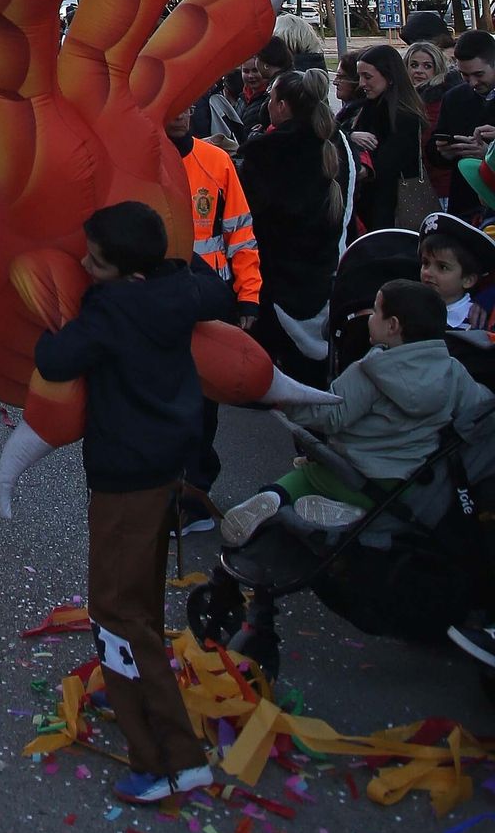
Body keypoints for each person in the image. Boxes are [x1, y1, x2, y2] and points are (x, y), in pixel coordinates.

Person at [32, 200, 233, 804]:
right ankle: (147, 717)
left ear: (125, 271)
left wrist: (55, 314)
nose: (85, 268)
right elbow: (217, 291)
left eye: (95, 263)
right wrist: (174, 267)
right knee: (139, 605)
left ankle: (169, 758)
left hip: (123, 481)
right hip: (166, 472)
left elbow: (54, 358)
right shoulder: (179, 292)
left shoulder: (111, 310)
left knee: (117, 616)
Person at [219, 278, 492, 541]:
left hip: (356, 474)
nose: (370, 317)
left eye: (376, 311)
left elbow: (331, 414)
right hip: (410, 484)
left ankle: (275, 496)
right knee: (356, 487)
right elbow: (480, 408)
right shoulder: (454, 372)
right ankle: (353, 513)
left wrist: (286, 402)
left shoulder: (371, 371)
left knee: (308, 475)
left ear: (392, 326)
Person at [163, 108, 261, 528]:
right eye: (173, 106)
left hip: (208, 306)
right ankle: (165, 491)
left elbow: (241, 234)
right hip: (159, 305)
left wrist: (248, 297)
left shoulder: (216, 162)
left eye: (188, 105)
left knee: (203, 406)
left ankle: (196, 495)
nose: (181, 113)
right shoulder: (137, 160)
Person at [237, 69, 353, 388]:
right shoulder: (340, 143)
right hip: (329, 271)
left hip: (277, 280)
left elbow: (250, 218)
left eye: (272, 99)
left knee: (282, 375)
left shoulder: (266, 153)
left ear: (282, 106)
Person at [352, 44, 428, 229]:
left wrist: (362, 169)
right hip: (370, 205)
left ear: (389, 76)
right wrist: (351, 135)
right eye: (359, 76)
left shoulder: (404, 116)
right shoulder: (367, 106)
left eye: (367, 77)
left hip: (392, 208)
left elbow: (388, 164)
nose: (361, 83)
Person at [432, 31, 495, 219]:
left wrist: (489, 154)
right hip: (464, 204)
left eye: (478, 74)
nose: (472, 82)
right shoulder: (454, 97)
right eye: (464, 75)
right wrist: (443, 152)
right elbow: (436, 147)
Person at [417, 208, 495, 334]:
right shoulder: (411, 311)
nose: (427, 272)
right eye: (425, 263)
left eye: (442, 267)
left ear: (468, 280)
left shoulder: (478, 321)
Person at [405, 39, 456, 196]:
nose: (419, 71)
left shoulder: (438, 101)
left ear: (437, 69)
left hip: (439, 186)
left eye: (427, 66)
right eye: (414, 65)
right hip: (412, 186)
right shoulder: (404, 99)